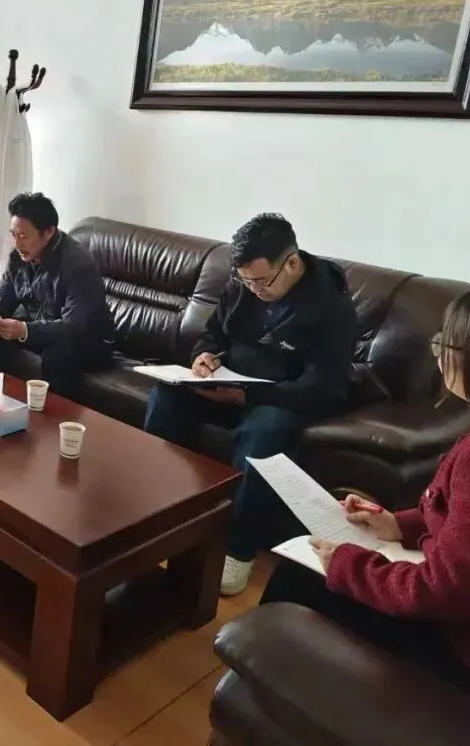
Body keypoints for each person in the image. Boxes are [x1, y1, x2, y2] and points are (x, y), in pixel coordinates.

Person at [261, 285, 470, 707]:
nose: (437, 355)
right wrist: (398, 524)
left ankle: (271, 704)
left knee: (297, 578)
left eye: (446, 344)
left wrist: (349, 564)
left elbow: (446, 591)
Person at [142, 213, 357, 596]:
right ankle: (164, 509)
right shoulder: (242, 285)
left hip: (281, 397)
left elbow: (322, 388)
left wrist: (250, 396)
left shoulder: (332, 307)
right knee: (166, 396)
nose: (254, 290)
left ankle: (238, 550)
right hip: (230, 383)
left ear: (291, 262)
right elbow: (212, 333)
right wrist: (203, 356)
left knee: (264, 435)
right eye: (246, 281)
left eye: (262, 281)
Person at [0, 192, 115, 398]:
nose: (17, 244)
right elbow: (3, 299)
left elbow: (73, 328)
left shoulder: (78, 264)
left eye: (24, 236)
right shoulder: (18, 258)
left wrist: (25, 330)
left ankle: (50, 415)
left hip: (88, 340)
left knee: (58, 352)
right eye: (13, 235)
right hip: (43, 328)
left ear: (48, 232)